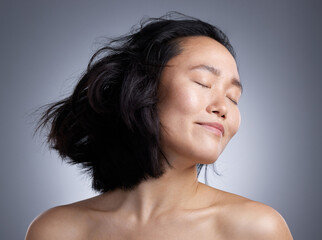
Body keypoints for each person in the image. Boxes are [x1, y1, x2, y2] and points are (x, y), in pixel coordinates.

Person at [25, 12, 293, 240]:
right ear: (142, 87)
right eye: (202, 83)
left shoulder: (255, 228)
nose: (223, 107)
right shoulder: (56, 230)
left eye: (234, 98)